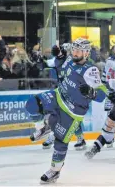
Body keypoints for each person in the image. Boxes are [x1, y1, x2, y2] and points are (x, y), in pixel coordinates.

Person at [25, 38, 107, 183]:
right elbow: (55, 67)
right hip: (58, 96)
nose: (74, 53)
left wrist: (91, 92)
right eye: (73, 49)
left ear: (86, 53)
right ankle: (44, 127)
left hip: (73, 111)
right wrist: (59, 55)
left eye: (78, 50)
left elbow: (102, 95)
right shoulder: (69, 59)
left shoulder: (91, 70)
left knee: (60, 141)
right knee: (32, 104)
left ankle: (55, 171)